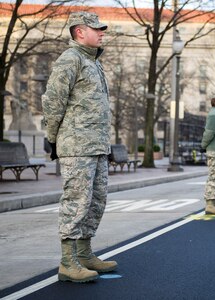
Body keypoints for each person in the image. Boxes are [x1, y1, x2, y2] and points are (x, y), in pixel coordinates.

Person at [42, 11, 117, 283]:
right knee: (77, 202)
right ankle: (67, 262)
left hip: (95, 145)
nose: (101, 32)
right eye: (95, 29)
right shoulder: (70, 59)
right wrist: (52, 138)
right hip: (77, 146)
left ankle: (85, 254)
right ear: (79, 32)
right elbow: (53, 102)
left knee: (96, 202)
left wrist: (105, 145)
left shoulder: (93, 62)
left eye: (101, 29)